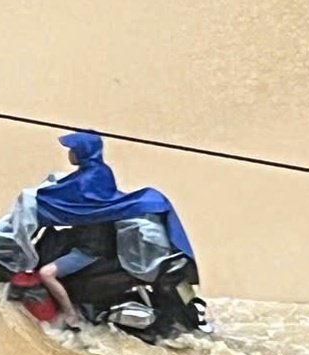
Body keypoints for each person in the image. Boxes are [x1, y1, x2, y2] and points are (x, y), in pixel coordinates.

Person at [31, 130, 193, 331]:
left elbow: (78, 203)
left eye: (73, 149)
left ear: (82, 152)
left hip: (90, 247)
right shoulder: (98, 172)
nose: (70, 153)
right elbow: (75, 195)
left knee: (47, 274)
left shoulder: (88, 178)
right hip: (97, 240)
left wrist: (44, 208)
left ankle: (71, 316)